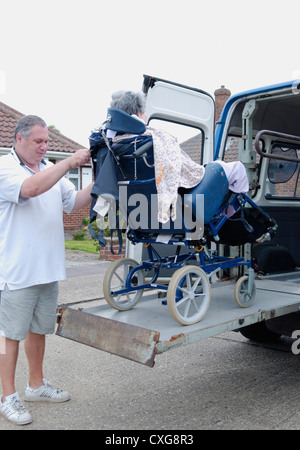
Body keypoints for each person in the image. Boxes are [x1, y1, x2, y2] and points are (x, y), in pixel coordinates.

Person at [0, 115, 92, 425]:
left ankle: (36, 386)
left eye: (46, 142)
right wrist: (67, 163)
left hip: (47, 269)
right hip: (16, 271)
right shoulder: (6, 168)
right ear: (19, 140)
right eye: (38, 141)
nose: (43, 146)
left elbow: (75, 201)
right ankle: (7, 397)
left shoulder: (49, 172)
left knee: (38, 331)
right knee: (8, 336)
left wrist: (103, 180)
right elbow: (30, 189)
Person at [107, 91, 249, 223]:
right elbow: (189, 171)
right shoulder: (151, 138)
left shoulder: (114, 147)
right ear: (138, 112)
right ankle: (227, 215)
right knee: (236, 168)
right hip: (180, 201)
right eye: (144, 112)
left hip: (143, 215)